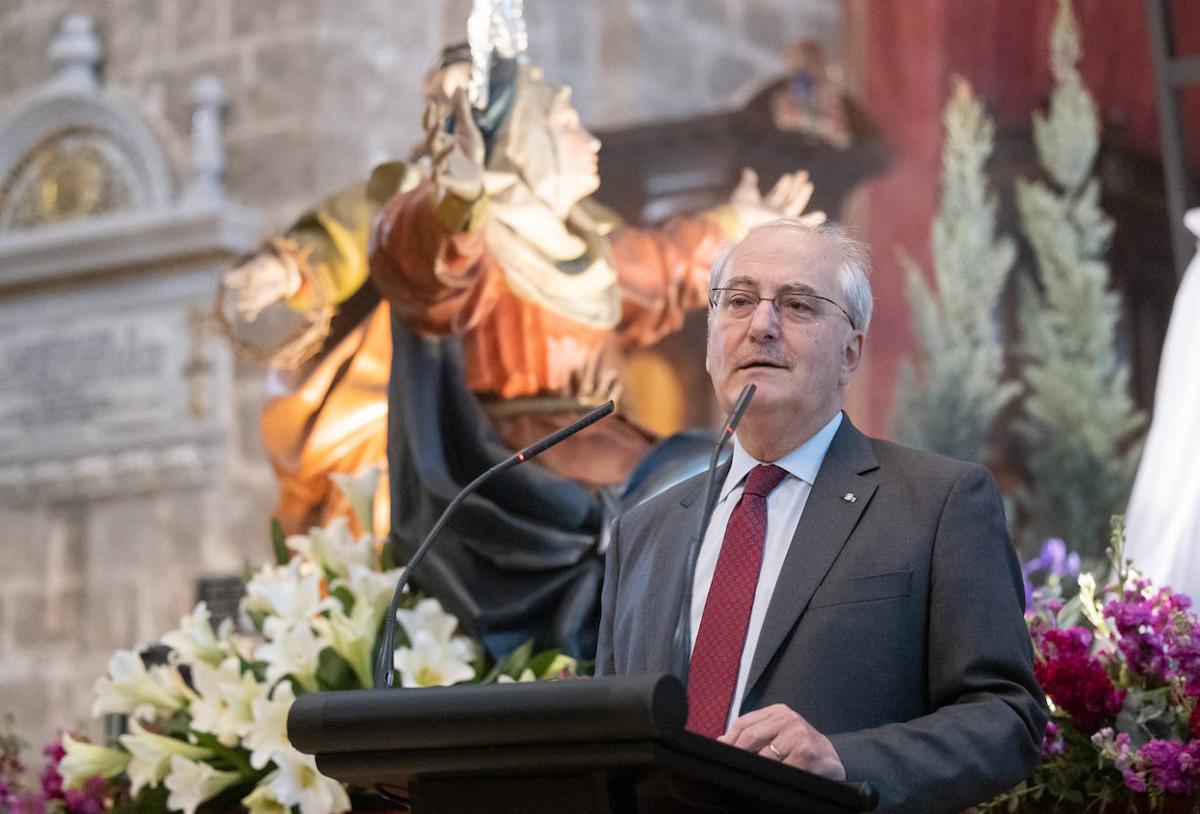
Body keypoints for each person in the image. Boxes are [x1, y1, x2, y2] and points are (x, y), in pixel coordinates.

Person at [367, 60, 820, 659]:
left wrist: (740, 226)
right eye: (568, 125)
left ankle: (711, 662)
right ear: (524, 143)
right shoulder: (479, 236)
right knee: (692, 485)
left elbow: (665, 267)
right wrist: (454, 199)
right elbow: (422, 262)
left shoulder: (587, 245)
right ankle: (633, 659)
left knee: (723, 473)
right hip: (519, 463)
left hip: (606, 442)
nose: (590, 141)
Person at [596, 219, 1047, 812]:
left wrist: (844, 762)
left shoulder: (939, 503)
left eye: (799, 305)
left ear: (850, 351)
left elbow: (1007, 718)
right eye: (738, 302)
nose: (761, 325)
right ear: (710, 341)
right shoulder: (643, 531)